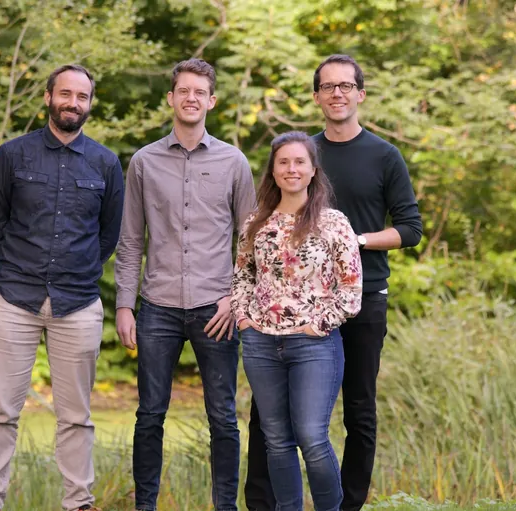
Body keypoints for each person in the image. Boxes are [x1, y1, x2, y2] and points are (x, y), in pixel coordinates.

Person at [244, 55, 424, 511]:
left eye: (346, 86)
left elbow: (410, 228)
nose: (337, 93)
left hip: (361, 299)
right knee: (268, 418)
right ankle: (267, 504)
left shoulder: (384, 156)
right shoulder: (303, 154)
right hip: (289, 307)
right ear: (316, 95)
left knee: (358, 408)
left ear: (360, 93)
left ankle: (348, 505)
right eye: (328, 86)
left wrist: (353, 241)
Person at [0, 64, 124, 511]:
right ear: (48, 97)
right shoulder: (12, 155)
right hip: (13, 298)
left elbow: (108, 236)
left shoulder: (105, 162)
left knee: (76, 416)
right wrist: (20, 266)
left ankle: (78, 502)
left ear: (89, 104)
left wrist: (76, 271)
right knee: (1, 410)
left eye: (82, 96)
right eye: (65, 94)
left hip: (77, 303)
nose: (72, 103)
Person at [114, 58, 256, 511]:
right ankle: (146, 506)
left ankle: (226, 507)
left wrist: (236, 297)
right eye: (183, 90)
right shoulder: (143, 162)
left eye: (200, 92)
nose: (191, 98)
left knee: (223, 419)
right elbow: (131, 238)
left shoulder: (234, 161)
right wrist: (123, 305)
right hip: (157, 306)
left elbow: (251, 240)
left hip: (217, 309)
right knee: (150, 414)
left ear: (211, 101)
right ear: (171, 98)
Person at [232, 131, 362, 511]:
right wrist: (244, 319)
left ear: (313, 169)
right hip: (261, 344)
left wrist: (318, 325)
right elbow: (242, 275)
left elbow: (351, 289)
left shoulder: (333, 222)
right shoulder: (256, 221)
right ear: (272, 171)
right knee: (275, 437)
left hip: (314, 344)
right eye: (283, 162)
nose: (292, 168)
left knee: (312, 436)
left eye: (299, 162)